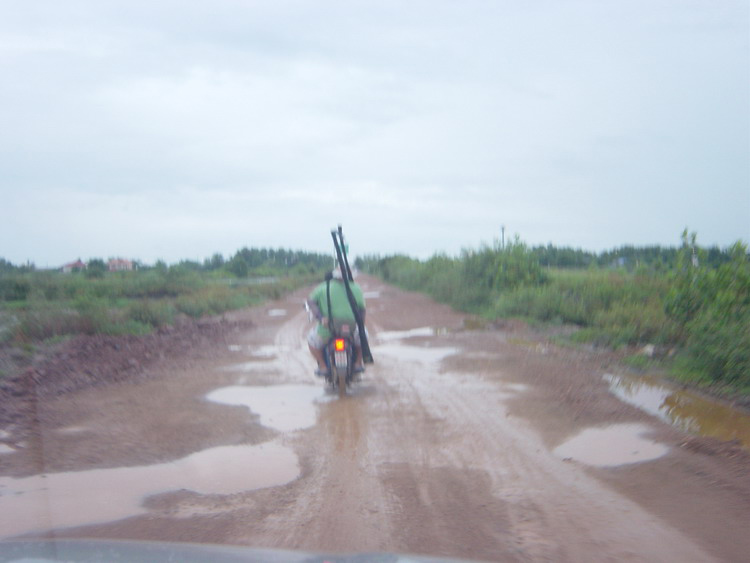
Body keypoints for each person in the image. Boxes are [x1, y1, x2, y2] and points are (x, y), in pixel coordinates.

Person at [306, 268, 366, 376]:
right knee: (363, 338)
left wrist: (320, 317)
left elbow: (310, 301)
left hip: (327, 328)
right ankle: (357, 363)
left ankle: (323, 366)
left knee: (311, 341)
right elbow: (362, 309)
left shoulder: (323, 287)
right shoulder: (356, 288)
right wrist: (360, 324)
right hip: (351, 328)